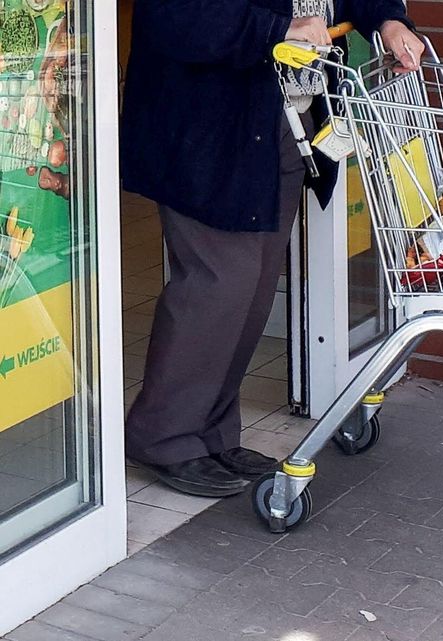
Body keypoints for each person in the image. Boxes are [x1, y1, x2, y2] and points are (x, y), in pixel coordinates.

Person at [119, 1, 424, 497]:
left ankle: (211, 433)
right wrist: (278, 27)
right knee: (219, 286)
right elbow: (175, 17)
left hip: (284, 122)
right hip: (210, 131)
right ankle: (164, 435)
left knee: (253, 289)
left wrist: (385, 18)